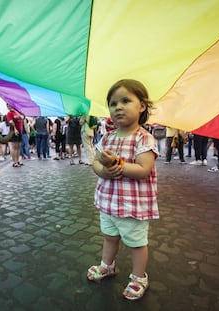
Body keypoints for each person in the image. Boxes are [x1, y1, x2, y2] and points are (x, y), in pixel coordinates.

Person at [87, 79, 158, 301]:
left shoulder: (143, 137)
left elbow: (144, 169)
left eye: (126, 101)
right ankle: (107, 266)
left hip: (132, 205)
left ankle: (139, 277)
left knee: (136, 244)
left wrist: (116, 163)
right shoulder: (107, 136)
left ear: (142, 106)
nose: (118, 107)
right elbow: (96, 162)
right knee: (109, 237)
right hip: (108, 202)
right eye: (113, 103)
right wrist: (102, 170)